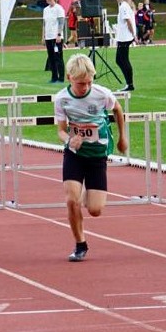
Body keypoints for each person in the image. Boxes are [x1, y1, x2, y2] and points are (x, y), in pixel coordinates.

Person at [52, 55, 127, 262]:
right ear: (69, 77)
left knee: (95, 210)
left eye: (89, 82)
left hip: (97, 155)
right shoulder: (61, 99)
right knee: (71, 200)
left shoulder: (102, 94)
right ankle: (80, 244)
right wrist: (69, 140)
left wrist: (123, 137)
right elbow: (60, 131)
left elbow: (118, 109)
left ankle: (87, 192)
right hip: (74, 155)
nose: (85, 87)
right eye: (80, 83)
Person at [113, 0, 136, 91]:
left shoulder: (124, 6)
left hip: (125, 37)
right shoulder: (124, 5)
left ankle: (129, 84)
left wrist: (133, 34)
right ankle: (129, 83)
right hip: (123, 37)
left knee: (123, 60)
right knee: (120, 60)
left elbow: (128, 21)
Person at [42, 0, 66, 82]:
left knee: (58, 57)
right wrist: (43, 36)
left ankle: (61, 77)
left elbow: (61, 23)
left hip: (56, 37)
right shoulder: (45, 10)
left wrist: (59, 35)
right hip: (48, 37)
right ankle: (54, 77)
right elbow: (44, 24)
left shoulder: (59, 8)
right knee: (51, 58)